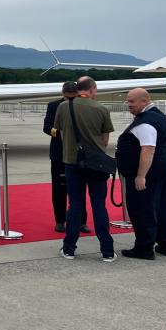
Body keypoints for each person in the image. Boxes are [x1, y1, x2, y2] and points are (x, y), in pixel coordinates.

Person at [54, 76, 116, 262]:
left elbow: (62, 133)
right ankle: (107, 251)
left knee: (75, 205)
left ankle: (69, 249)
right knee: (99, 205)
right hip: (96, 164)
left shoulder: (63, 107)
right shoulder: (101, 109)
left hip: (72, 162)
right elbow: (105, 140)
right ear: (92, 89)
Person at [116, 88, 166, 260]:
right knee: (163, 208)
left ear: (144, 101)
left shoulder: (146, 122)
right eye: (128, 101)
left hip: (149, 172)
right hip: (162, 169)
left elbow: (148, 150)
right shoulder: (158, 116)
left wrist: (141, 175)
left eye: (131, 101)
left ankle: (144, 248)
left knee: (143, 209)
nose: (129, 105)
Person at [43, 81, 89, 233]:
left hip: (78, 154)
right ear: (63, 94)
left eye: (73, 98)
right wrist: (60, 133)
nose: (70, 101)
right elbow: (47, 127)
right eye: (68, 98)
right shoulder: (53, 106)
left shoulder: (83, 105)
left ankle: (81, 221)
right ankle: (60, 220)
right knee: (59, 188)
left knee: (79, 189)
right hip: (59, 153)